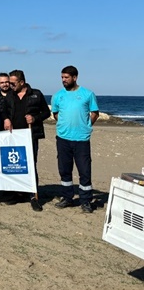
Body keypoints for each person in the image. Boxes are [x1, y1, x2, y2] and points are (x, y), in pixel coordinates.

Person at [0, 70, 51, 211]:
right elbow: (2, 109)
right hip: (13, 135)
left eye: (13, 83)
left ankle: (33, 196)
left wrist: (35, 119)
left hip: (30, 135)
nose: (10, 85)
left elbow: (46, 112)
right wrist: (6, 119)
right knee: (14, 164)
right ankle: (16, 193)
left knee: (30, 164)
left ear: (22, 82)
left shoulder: (36, 94)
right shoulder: (10, 95)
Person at [51, 65, 99, 213]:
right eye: (62, 77)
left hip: (81, 140)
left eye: (66, 77)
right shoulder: (57, 95)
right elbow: (56, 114)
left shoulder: (87, 94)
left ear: (75, 77)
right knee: (65, 170)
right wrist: (64, 127)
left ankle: (85, 201)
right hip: (63, 139)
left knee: (84, 171)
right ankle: (67, 198)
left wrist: (85, 126)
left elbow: (95, 113)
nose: (63, 80)